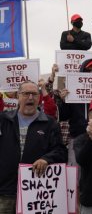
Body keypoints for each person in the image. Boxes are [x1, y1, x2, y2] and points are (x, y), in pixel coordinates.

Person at [0, 81, 67, 213]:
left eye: (34, 94)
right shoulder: (3, 120)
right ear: (18, 96)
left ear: (39, 98)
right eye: (26, 94)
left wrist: (46, 159)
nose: (30, 97)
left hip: (35, 194)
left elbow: (60, 151)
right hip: (4, 192)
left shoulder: (50, 123)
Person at [57, 58, 92, 166]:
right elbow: (63, 116)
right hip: (77, 138)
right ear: (82, 71)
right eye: (88, 70)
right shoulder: (72, 92)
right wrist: (63, 101)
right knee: (75, 173)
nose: (91, 73)